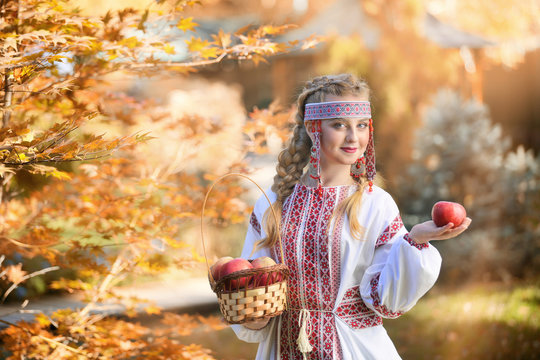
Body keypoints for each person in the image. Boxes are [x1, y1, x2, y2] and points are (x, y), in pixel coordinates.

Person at [230, 74, 471, 359]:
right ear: (313, 127)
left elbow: (387, 300)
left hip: (352, 347)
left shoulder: (375, 204)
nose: (353, 138)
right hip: (281, 347)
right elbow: (248, 285)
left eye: (360, 126)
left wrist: (416, 240)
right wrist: (253, 317)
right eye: (339, 125)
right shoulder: (271, 203)